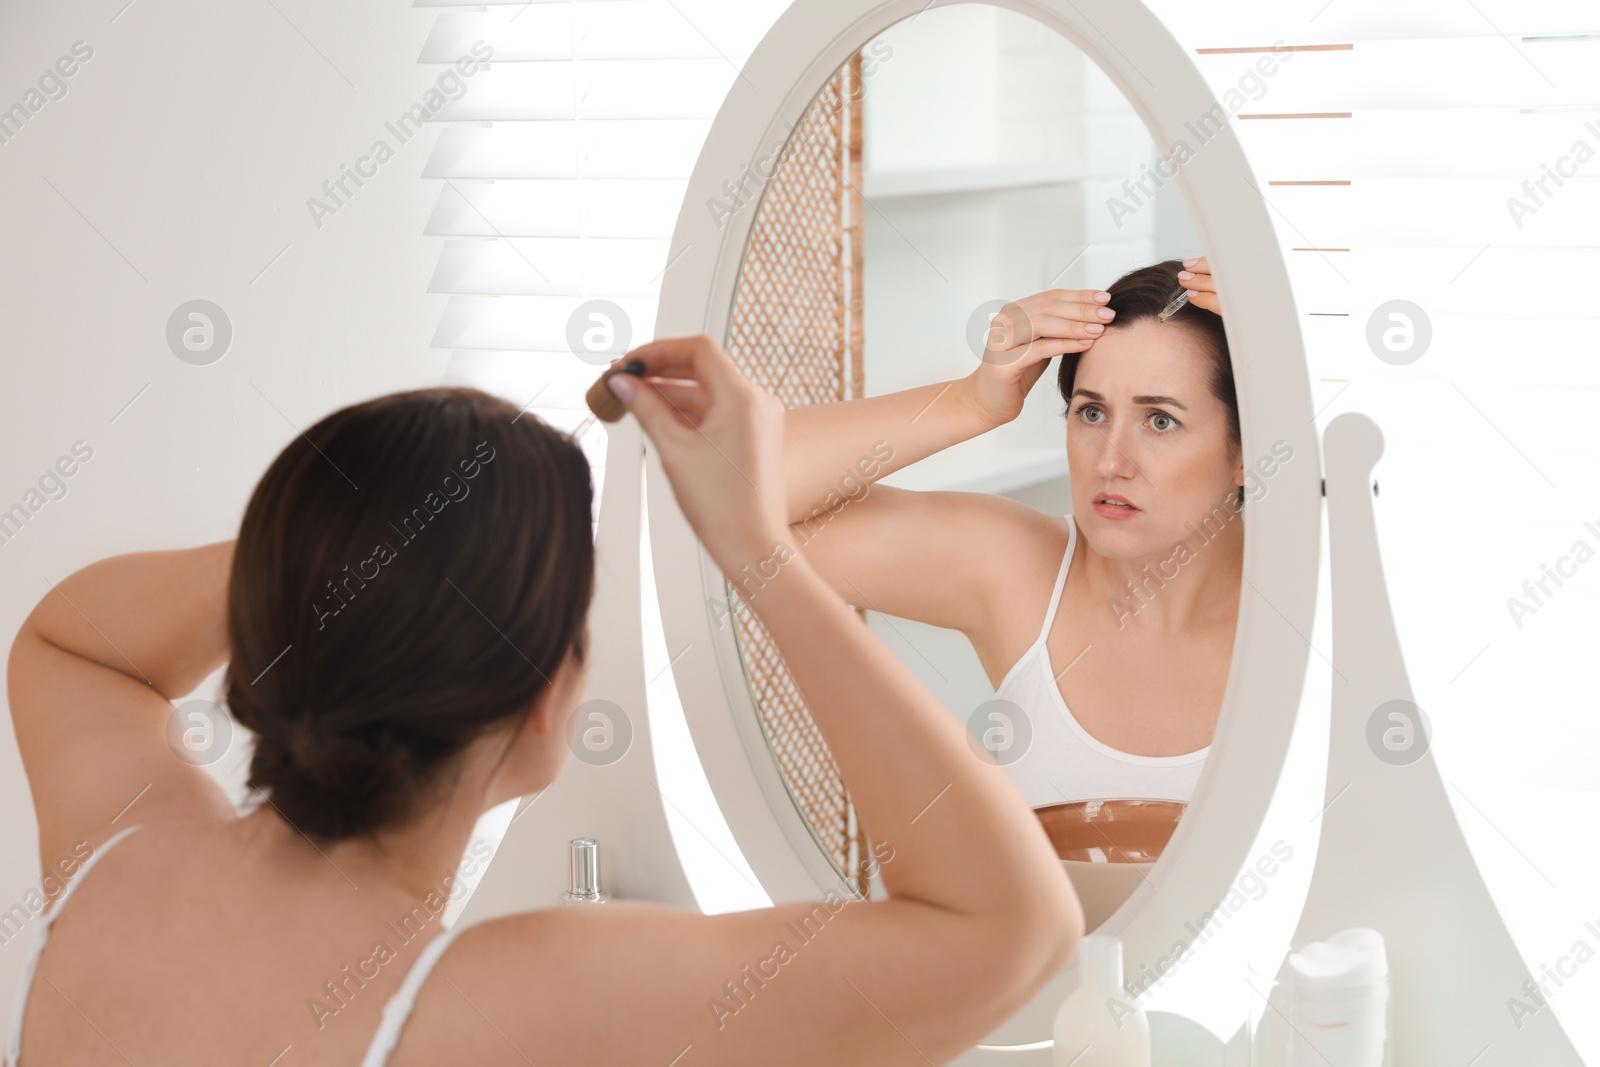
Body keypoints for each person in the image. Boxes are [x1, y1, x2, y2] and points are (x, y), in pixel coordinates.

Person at [4, 336, 1082, 1066]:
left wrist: (343, 554)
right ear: (544, 700)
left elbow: (71, 644)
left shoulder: (115, 861)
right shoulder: (492, 1003)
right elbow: (1012, 931)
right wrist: (753, 547)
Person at [777, 257, 1247, 808]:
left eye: (1160, 420)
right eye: (1091, 413)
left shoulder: (1319, 610)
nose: (1110, 462)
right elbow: (732, 488)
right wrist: (970, 400)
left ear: (1247, 450)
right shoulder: (1019, 572)